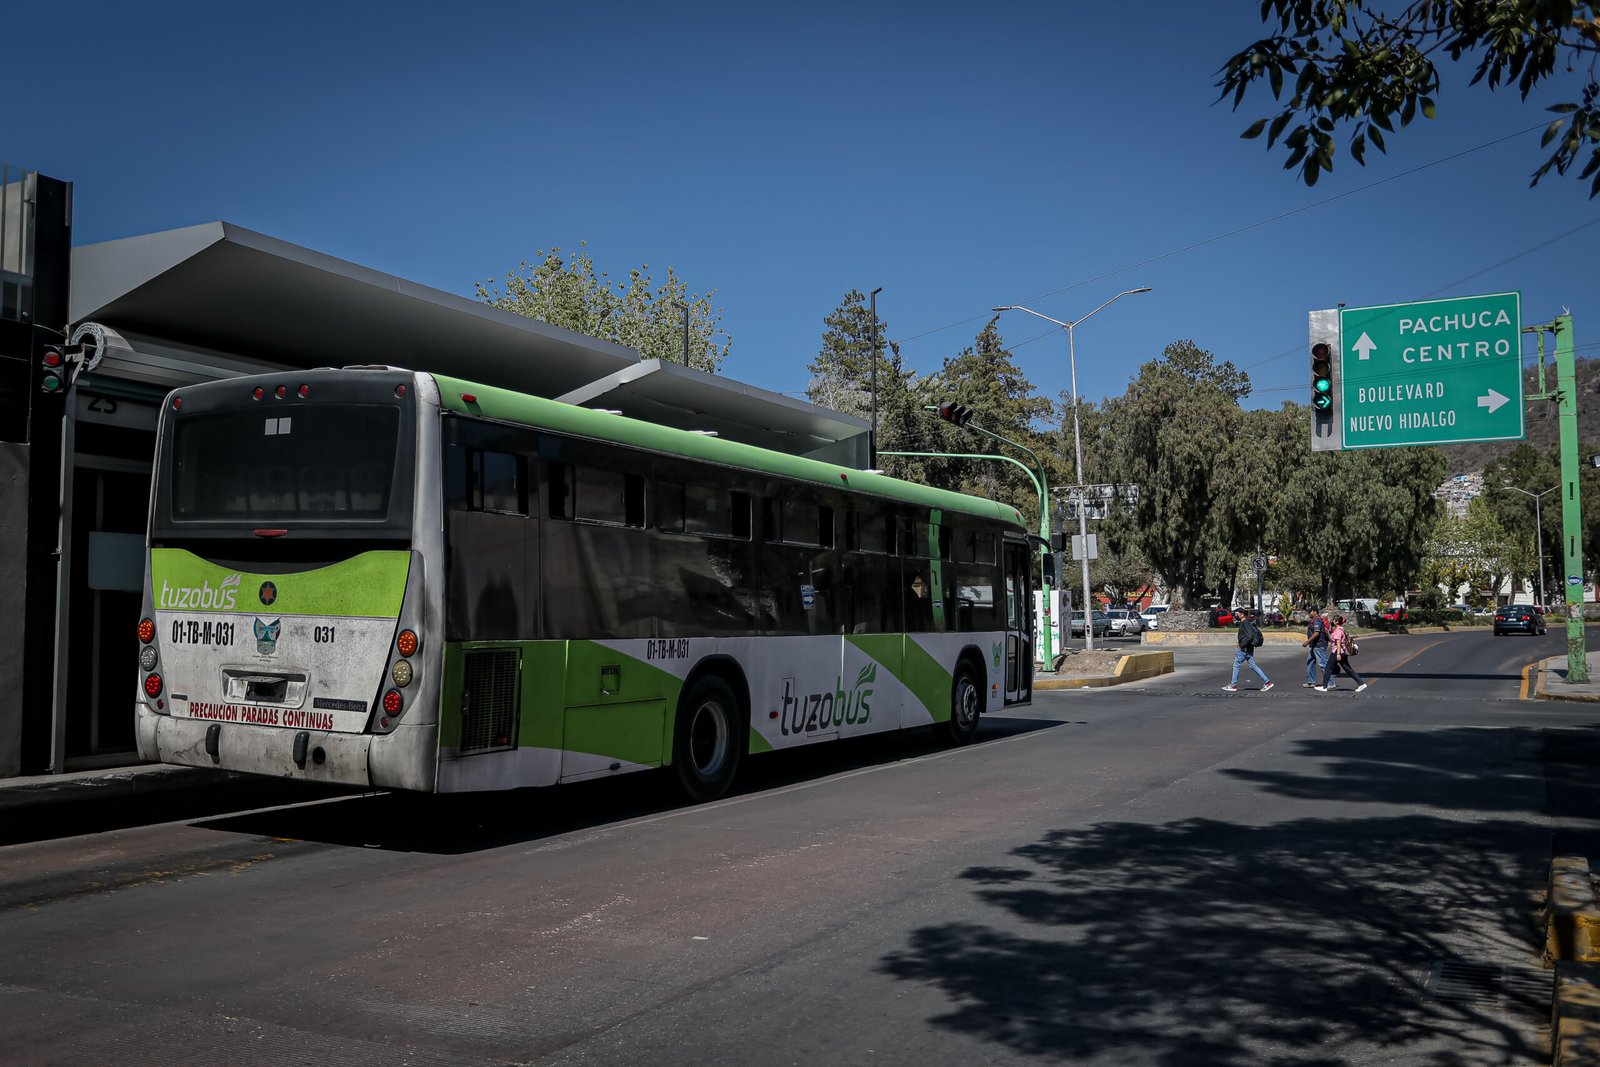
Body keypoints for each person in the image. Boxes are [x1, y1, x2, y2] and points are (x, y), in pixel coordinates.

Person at [1223, 608, 1273, 692]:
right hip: (1248, 648)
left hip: (1244, 649)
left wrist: (1241, 644)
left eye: (1237, 614)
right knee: (1253, 665)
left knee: (1236, 665)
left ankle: (1233, 685)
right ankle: (1267, 682)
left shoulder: (1245, 623)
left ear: (1242, 614)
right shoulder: (1245, 622)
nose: (1236, 616)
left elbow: (1249, 636)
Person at [1316, 613, 1368, 692]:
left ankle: (1324, 686)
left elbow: (1338, 642)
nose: (1332, 621)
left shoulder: (1338, 631)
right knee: (1347, 668)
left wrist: (1338, 654)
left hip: (1337, 651)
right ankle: (1361, 684)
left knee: (1328, 668)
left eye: (1334, 620)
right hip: (1341, 651)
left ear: (1336, 622)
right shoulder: (1340, 629)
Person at [1302, 606, 1330, 687]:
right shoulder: (1314, 620)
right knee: (1310, 662)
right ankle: (1311, 682)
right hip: (1314, 645)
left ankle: (1330, 682)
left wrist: (1307, 642)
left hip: (1319, 645)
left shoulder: (1317, 620)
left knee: (1323, 664)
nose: (1308, 613)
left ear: (1315, 612)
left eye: (1310, 611)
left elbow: (1316, 633)